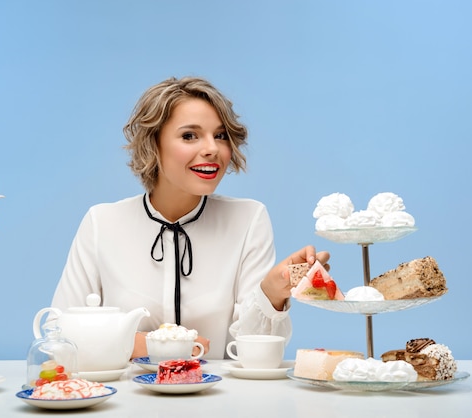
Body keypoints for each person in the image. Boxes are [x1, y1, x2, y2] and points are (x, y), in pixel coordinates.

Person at [51, 76, 330, 360]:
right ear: (153, 144)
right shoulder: (103, 222)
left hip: (217, 401)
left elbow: (251, 356)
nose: (212, 149)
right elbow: (57, 335)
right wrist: (149, 344)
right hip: (126, 400)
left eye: (220, 135)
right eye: (189, 136)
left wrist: (271, 294)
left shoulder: (248, 219)